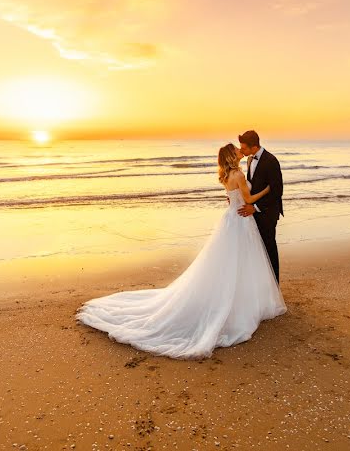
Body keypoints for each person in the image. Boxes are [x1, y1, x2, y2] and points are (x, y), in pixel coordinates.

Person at [75, 143, 286, 359]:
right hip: (241, 220)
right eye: (237, 150)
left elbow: (234, 197)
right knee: (241, 261)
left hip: (232, 219)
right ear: (233, 155)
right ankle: (241, 301)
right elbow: (249, 200)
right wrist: (268, 189)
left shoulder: (227, 175)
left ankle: (239, 297)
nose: (241, 151)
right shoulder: (239, 174)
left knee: (230, 263)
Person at [237, 130, 283, 283]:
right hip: (254, 212)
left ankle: (274, 286)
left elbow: (277, 191)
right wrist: (237, 198)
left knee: (269, 249)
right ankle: (262, 285)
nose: (241, 150)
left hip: (267, 213)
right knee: (257, 250)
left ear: (254, 146)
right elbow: (250, 187)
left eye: (243, 147)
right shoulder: (250, 160)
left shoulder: (271, 161)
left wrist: (255, 207)